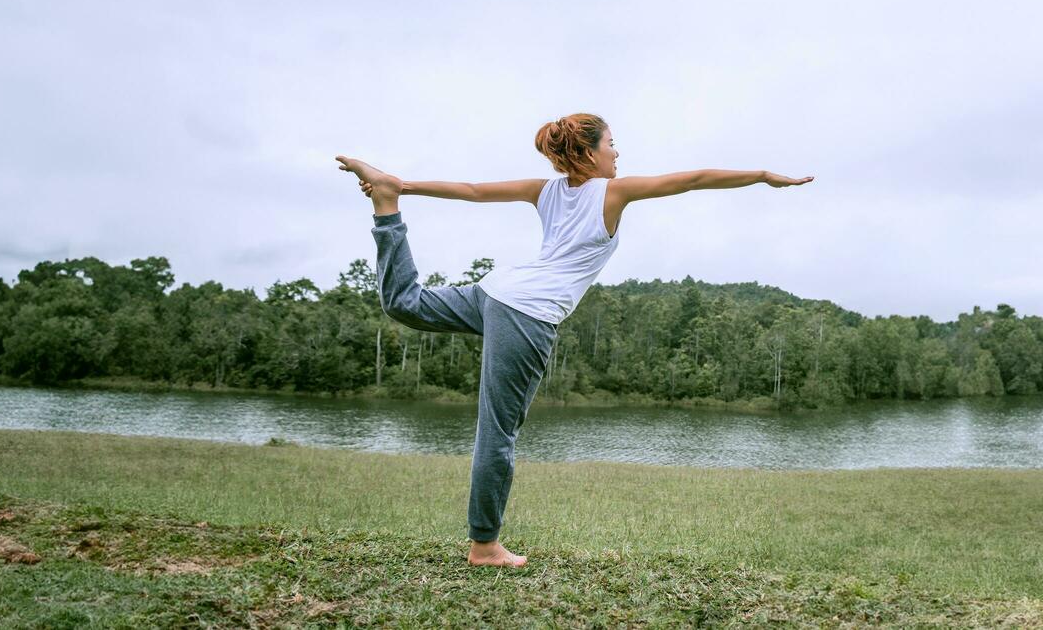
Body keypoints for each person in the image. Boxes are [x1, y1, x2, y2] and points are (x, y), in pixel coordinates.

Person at [335, 112, 813, 567]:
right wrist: (762, 174)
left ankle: (387, 205)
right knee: (497, 433)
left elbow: (473, 190)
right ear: (588, 153)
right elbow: (693, 179)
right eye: (610, 143)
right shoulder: (613, 191)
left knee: (405, 303)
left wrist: (403, 185)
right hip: (528, 312)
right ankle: (484, 545)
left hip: (494, 291)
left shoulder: (545, 190)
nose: (617, 151)